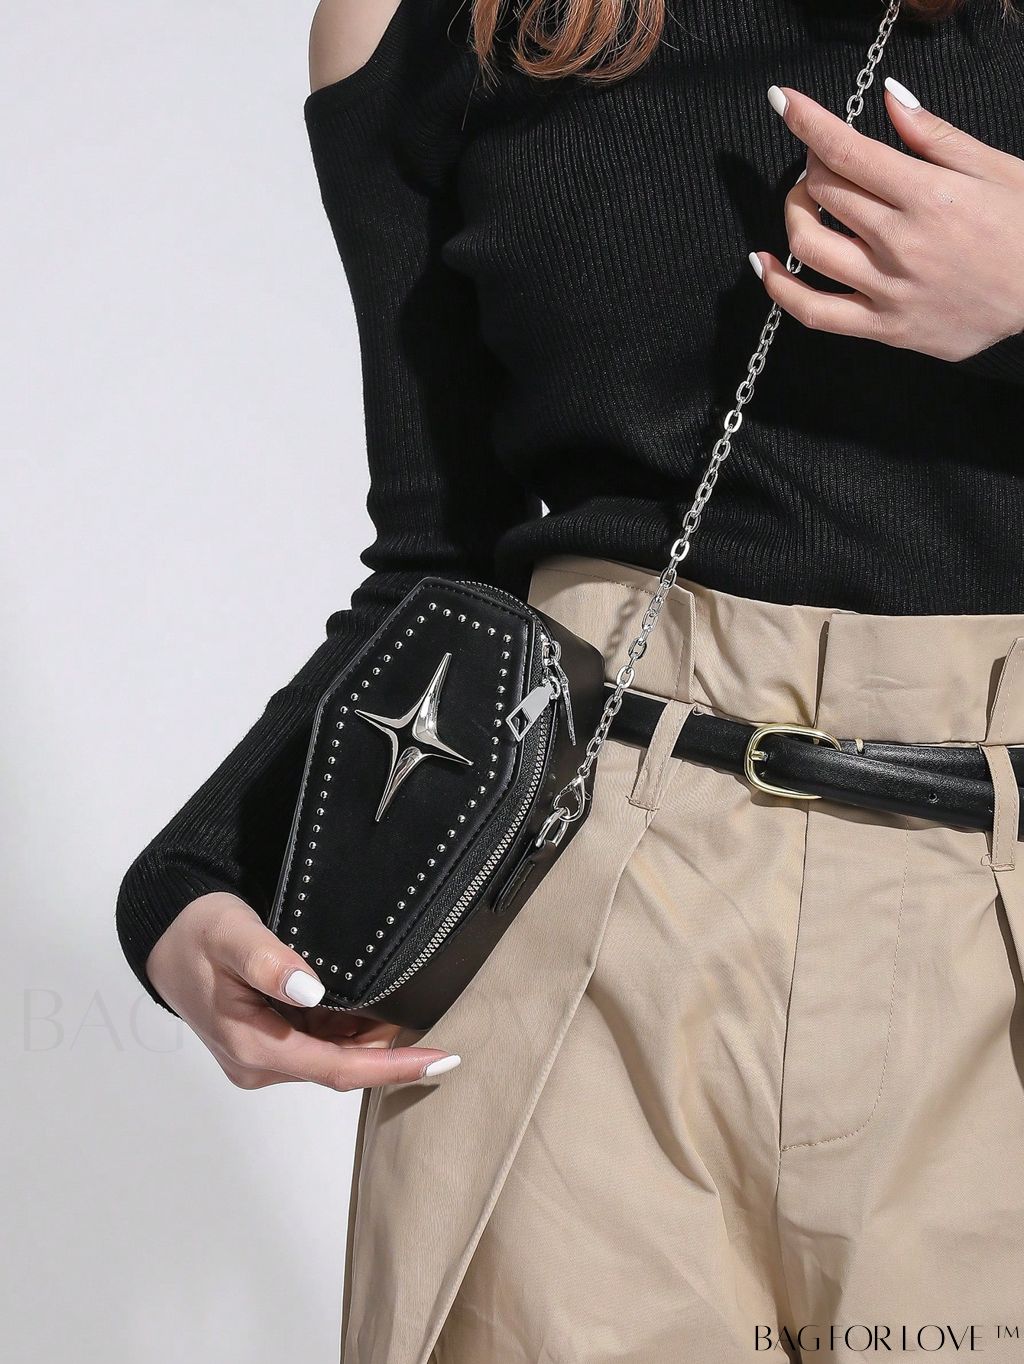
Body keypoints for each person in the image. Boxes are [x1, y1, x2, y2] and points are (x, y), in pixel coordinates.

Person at [117, 0, 1024, 1358]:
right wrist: (191, 875)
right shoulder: (421, 24)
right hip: (578, 927)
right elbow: (439, 559)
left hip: (990, 942)